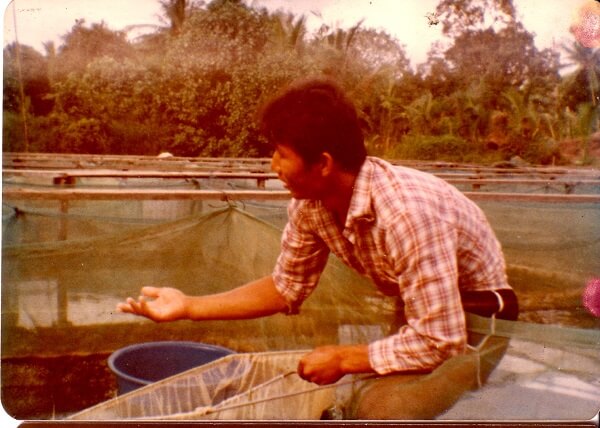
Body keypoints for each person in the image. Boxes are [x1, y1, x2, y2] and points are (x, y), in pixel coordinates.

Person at [117, 77, 518, 419]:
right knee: (364, 393)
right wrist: (188, 306)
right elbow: (285, 287)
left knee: (383, 408)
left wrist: (344, 358)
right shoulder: (312, 206)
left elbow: (439, 341)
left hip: (479, 319)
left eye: (281, 154)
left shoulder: (405, 215)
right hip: (425, 314)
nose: (272, 165)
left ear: (323, 163)